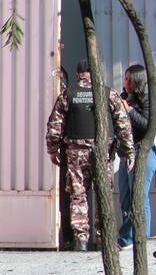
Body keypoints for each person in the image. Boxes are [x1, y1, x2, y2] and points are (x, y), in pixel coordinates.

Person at [45, 61, 134, 251]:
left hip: (76, 153)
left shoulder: (68, 94)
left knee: (78, 196)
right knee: (103, 195)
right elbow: (123, 124)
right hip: (103, 153)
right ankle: (104, 240)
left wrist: (53, 150)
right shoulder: (108, 93)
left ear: (78, 75)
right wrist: (128, 151)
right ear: (94, 74)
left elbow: (55, 126)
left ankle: (81, 241)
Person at [118, 63, 156, 248]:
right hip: (126, 152)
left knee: (139, 197)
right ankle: (127, 238)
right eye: (125, 79)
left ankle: (142, 239)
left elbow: (147, 125)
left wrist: (130, 111)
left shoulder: (149, 100)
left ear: (137, 81)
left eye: (128, 79)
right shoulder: (126, 97)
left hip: (143, 151)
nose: (125, 82)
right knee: (126, 198)